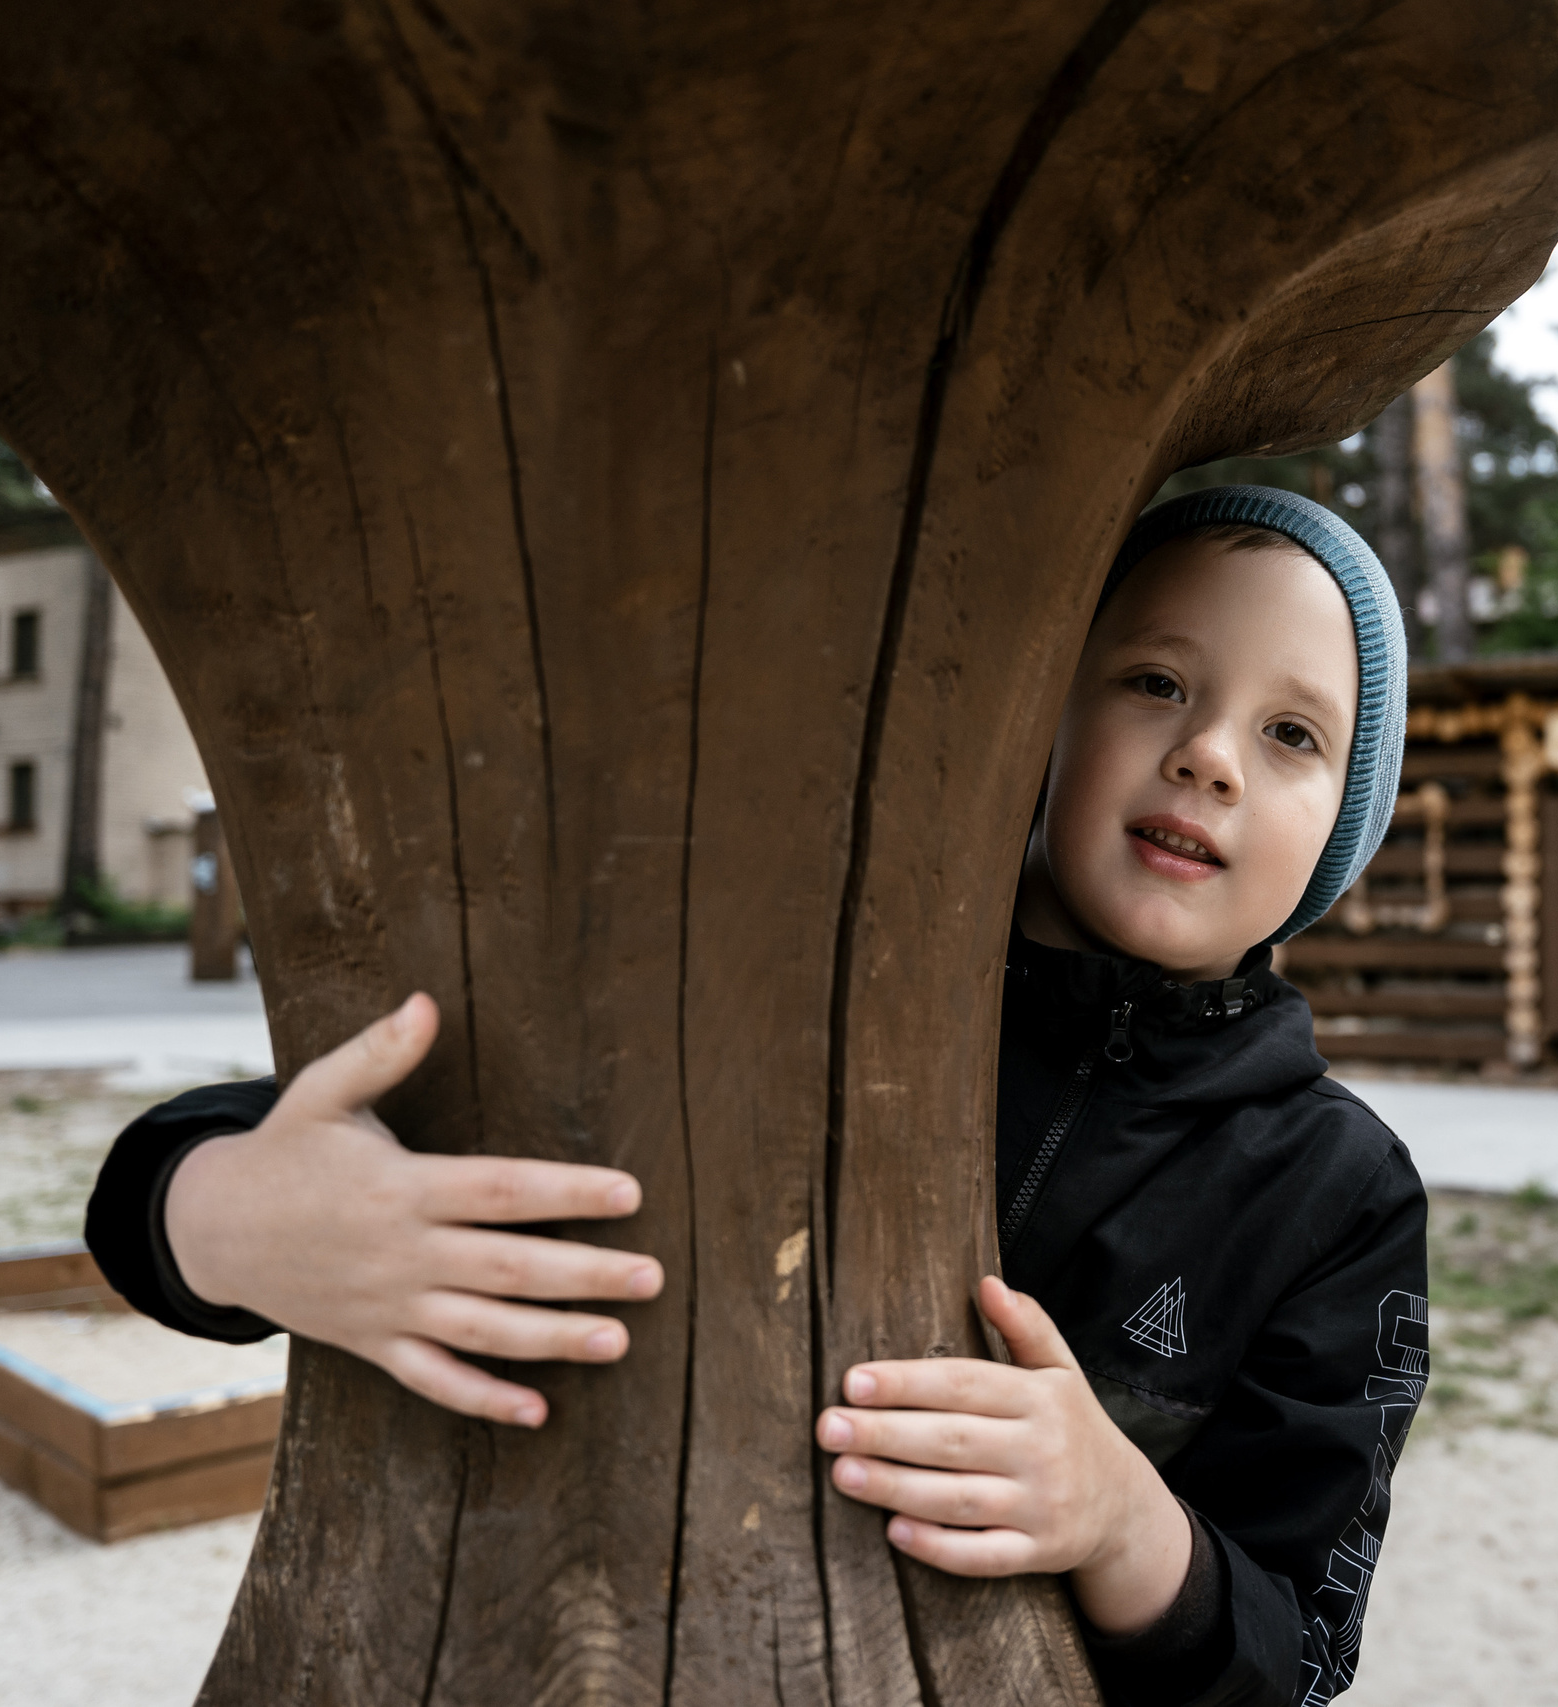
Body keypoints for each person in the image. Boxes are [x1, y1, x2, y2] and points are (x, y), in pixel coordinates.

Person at [86, 486, 1428, 1706]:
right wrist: (231, 1218)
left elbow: (1297, 1657)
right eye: (1152, 680)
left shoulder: (1335, 1196)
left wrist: (1125, 1520)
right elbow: (177, 1181)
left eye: (1293, 732)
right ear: (1046, 713)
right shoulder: (806, 974)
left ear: (1343, 835)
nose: (1209, 755)